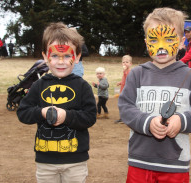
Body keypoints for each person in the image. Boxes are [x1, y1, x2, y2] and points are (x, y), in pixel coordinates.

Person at [118, 7, 191, 183]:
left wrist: (182, 121)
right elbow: (125, 108)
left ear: (181, 42)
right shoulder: (137, 74)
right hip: (139, 162)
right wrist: (147, 122)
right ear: (146, 41)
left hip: (175, 165)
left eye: (169, 39)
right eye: (154, 39)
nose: (161, 47)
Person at [17, 22, 97, 183]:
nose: (61, 61)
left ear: (77, 57)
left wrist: (66, 116)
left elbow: (90, 117)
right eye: (54, 56)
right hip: (45, 161)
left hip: (75, 160)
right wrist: (42, 112)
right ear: (46, 57)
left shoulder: (83, 86)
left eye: (67, 55)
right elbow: (23, 112)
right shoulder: (39, 85)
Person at [115, 55, 132, 123]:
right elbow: (124, 80)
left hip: (126, 92)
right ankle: (123, 118)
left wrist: (125, 71)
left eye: (127, 62)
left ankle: (124, 118)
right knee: (122, 105)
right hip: (122, 91)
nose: (125, 63)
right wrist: (120, 82)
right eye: (123, 62)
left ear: (130, 64)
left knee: (124, 105)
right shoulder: (125, 71)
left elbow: (129, 80)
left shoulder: (129, 71)